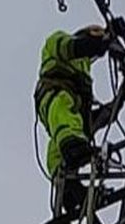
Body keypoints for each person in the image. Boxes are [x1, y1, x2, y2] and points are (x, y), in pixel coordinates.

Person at [34, 25, 117, 188]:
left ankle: (67, 186)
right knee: (66, 121)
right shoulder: (59, 39)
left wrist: (116, 105)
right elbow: (69, 48)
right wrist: (100, 41)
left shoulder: (85, 64)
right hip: (55, 92)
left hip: (71, 104)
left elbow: (91, 121)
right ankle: (72, 149)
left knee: (65, 134)